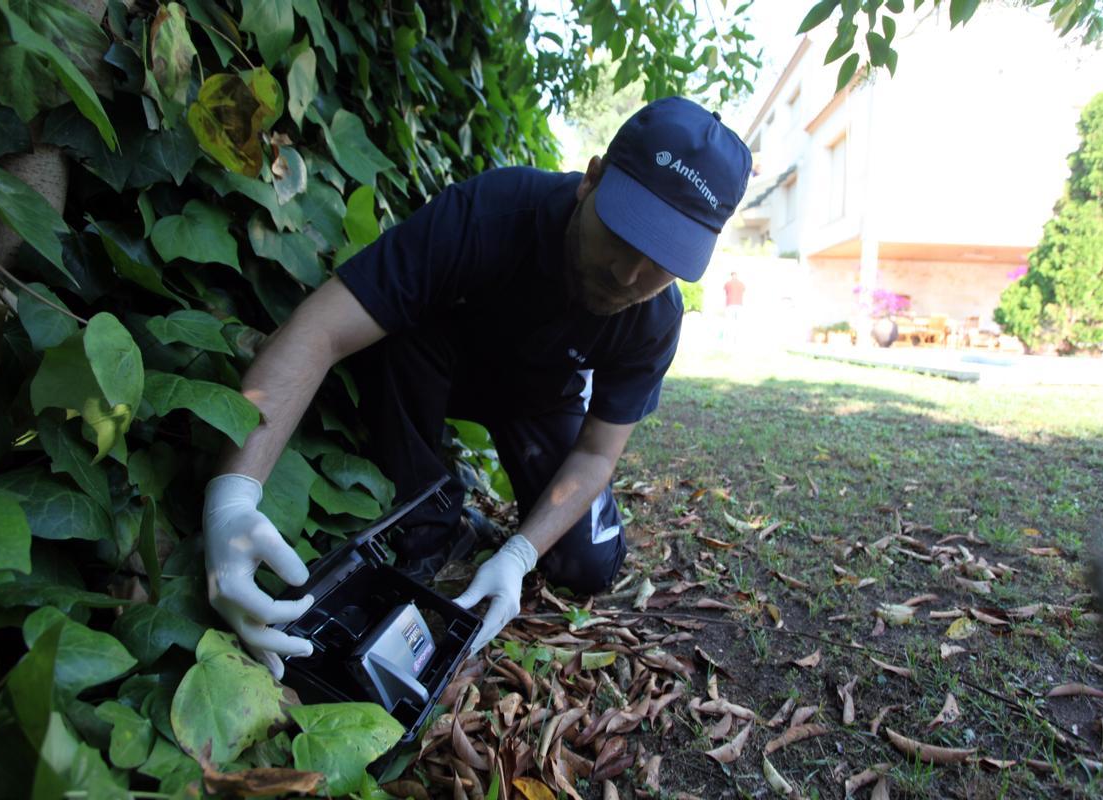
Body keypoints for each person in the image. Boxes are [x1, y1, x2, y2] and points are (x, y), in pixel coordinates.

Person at [202, 96, 752, 678]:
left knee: (589, 564)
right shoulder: (494, 210)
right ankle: (436, 525)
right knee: (394, 335)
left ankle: (490, 540)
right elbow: (321, 329)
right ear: (591, 181)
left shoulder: (656, 316)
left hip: (543, 401)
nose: (628, 275)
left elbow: (597, 453)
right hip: (439, 368)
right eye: (622, 234)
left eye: (662, 260)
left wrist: (520, 554)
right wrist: (232, 496)